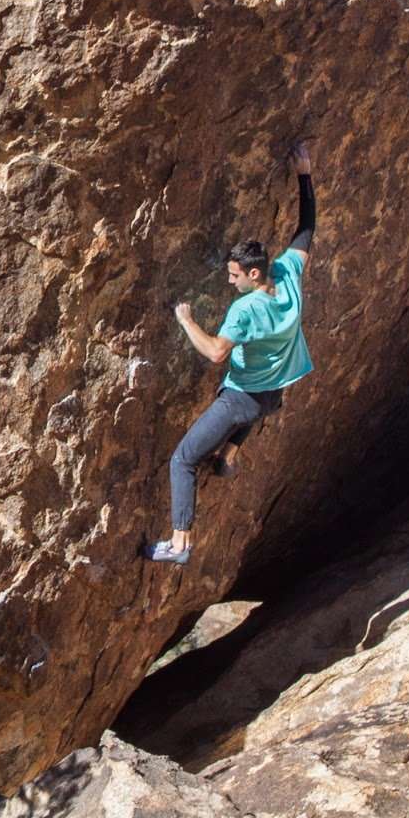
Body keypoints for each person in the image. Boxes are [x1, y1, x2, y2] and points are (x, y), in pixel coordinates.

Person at [147, 141, 317, 565]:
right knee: (258, 409)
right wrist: (304, 174)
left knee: (183, 459)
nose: (230, 281)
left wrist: (186, 321)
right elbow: (307, 229)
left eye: (234, 275)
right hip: (275, 389)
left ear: (254, 273)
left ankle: (180, 544)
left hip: (242, 398)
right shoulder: (289, 275)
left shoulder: (246, 310)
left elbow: (216, 353)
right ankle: (229, 455)